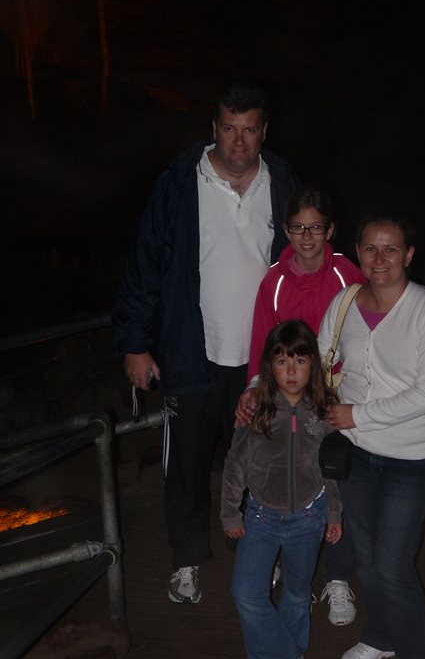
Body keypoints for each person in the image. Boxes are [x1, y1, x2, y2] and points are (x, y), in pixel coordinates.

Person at [112, 81, 300, 605]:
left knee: (264, 466)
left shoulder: (282, 181)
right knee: (187, 467)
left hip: (262, 358)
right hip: (190, 353)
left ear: (264, 132)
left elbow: (305, 263)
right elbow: (144, 266)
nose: (238, 140)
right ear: (213, 128)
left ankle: (265, 560)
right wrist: (135, 343)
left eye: (249, 129)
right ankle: (187, 561)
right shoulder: (177, 184)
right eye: (228, 128)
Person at [318, 211, 425, 659]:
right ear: (358, 252)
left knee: (394, 565)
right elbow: (319, 361)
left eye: (391, 248)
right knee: (370, 561)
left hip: (410, 458)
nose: (380, 258)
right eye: (371, 248)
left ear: (409, 255)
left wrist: (357, 414)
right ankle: (381, 635)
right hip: (356, 456)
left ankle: (420, 657)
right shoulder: (344, 301)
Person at [244, 185, 366, 626]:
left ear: (330, 229)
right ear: (285, 230)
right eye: (297, 228)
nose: (307, 237)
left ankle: (336, 578)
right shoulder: (274, 281)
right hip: (284, 399)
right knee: (280, 474)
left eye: (316, 227)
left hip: (332, 398)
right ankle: (277, 560)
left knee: (333, 482)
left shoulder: (347, 275)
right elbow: (261, 340)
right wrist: (255, 391)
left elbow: (364, 335)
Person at [221, 320, 342, 659]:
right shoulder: (257, 409)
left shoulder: (323, 412)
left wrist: (333, 512)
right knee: (246, 592)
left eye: (300, 361)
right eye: (282, 361)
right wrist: (229, 511)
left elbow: (331, 467)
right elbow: (235, 462)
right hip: (260, 516)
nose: (291, 371)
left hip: (309, 516)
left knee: (295, 591)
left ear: (313, 366)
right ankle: (280, 656)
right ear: (269, 368)